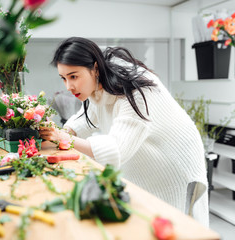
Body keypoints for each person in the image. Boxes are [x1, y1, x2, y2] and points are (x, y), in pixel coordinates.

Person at [39, 37, 209, 226]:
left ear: (95, 68)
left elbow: (117, 149)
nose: (68, 87)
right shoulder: (98, 85)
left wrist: (63, 138)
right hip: (148, 164)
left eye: (73, 76)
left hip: (175, 165)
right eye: (63, 78)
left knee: (176, 226)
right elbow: (82, 122)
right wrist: (53, 135)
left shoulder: (136, 92)